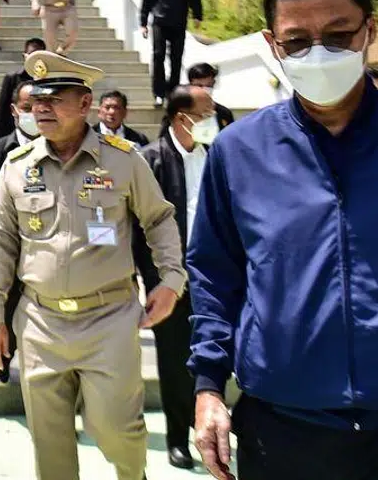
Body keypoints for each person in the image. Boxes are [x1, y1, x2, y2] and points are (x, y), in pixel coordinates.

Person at [188, 0, 378, 480]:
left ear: (369, 29)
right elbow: (215, 273)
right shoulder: (238, 152)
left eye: (339, 34)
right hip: (282, 433)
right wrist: (208, 386)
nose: (318, 54)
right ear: (272, 45)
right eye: (298, 41)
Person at [0, 49, 186, 480]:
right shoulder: (16, 167)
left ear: (85, 104)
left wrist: (171, 279)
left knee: (117, 430)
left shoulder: (124, 159)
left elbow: (159, 218)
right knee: (50, 444)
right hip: (39, 322)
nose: (41, 107)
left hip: (109, 318)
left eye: (55, 97)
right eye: (37, 98)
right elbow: (0, 242)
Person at [131, 85, 218, 471]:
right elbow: (137, 228)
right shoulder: (150, 161)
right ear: (182, 117)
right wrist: (154, 280)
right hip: (171, 280)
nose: (213, 118)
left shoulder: (216, 156)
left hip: (216, 277)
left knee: (215, 358)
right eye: (207, 112)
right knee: (174, 361)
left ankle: (213, 431)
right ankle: (177, 437)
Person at [0, 80, 40, 385]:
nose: (33, 113)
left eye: (38, 107)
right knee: (2, 316)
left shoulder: (56, 149)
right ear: (14, 110)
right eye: (27, 108)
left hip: (41, 253)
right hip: (5, 251)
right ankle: (1, 366)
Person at [140, 0, 204, 108]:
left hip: (179, 21)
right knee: (158, 55)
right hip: (159, 21)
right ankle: (158, 93)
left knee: (176, 58)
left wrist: (197, 15)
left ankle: (172, 92)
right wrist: (143, 22)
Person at [0, 38, 47, 139]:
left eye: (38, 55)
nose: (34, 58)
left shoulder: (48, 79)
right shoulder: (12, 78)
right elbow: (4, 112)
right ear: (24, 55)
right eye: (31, 54)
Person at [184, 63, 236, 129]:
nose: (203, 90)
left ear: (214, 83)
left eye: (208, 86)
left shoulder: (224, 113)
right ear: (190, 85)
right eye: (198, 86)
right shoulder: (182, 111)